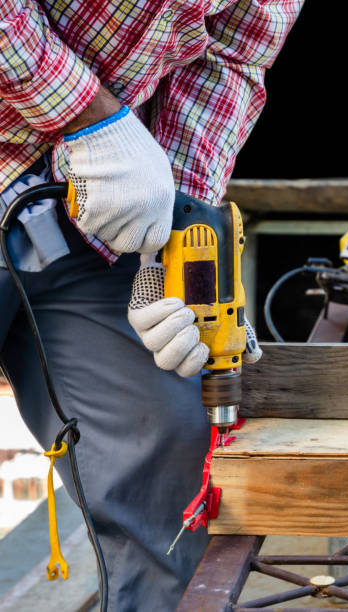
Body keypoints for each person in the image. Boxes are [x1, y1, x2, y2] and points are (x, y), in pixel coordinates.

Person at [0, 1, 302, 609]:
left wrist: (172, 231)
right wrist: (91, 118)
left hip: (88, 208)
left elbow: (233, 57)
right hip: (65, 143)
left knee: (170, 443)